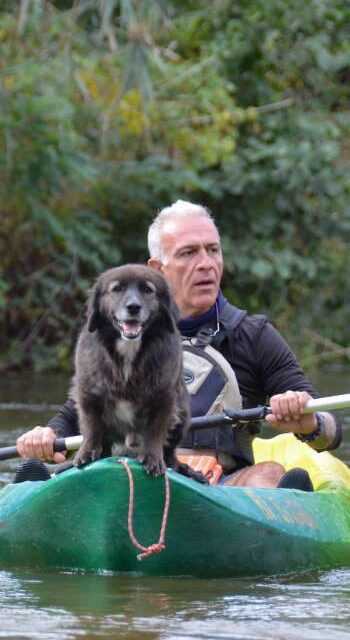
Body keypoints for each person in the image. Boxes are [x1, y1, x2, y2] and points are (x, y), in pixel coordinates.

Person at [16, 200, 342, 488]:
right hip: (129, 474)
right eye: (189, 253)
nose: (206, 263)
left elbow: (331, 429)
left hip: (222, 488)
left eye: (213, 250)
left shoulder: (253, 335)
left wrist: (309, 421)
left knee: (268, 473)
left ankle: (288, 501)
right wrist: (45, 436)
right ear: (157, 269)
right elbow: (76, 414)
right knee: (71, 470)